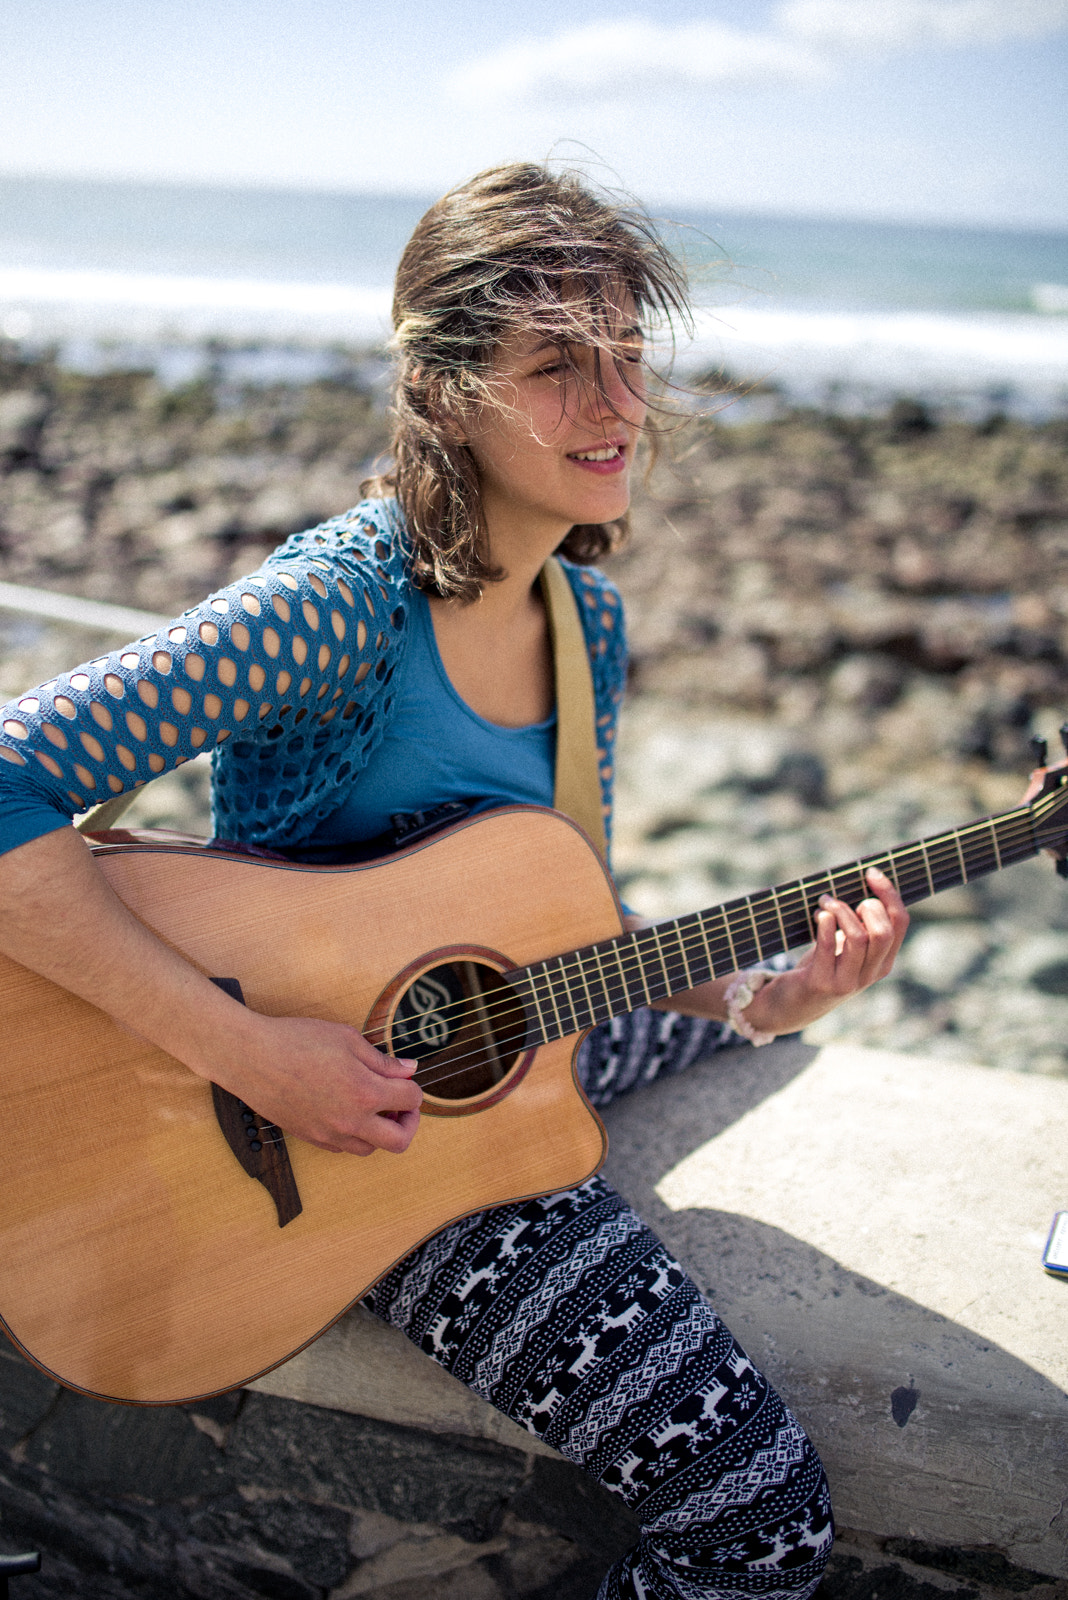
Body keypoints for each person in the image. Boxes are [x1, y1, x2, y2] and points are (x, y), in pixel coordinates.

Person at [0, 163, 908, 1598]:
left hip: (479, 1054)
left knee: (756, 1019)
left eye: (629, 358)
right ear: (443, 391)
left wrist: (771, 988)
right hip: (325, 1146)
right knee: (757, 1519)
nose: (618, 407)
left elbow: (561, 925)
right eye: (559, 366)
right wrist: (255, 1054)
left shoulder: (584, 618)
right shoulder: (340, 603)